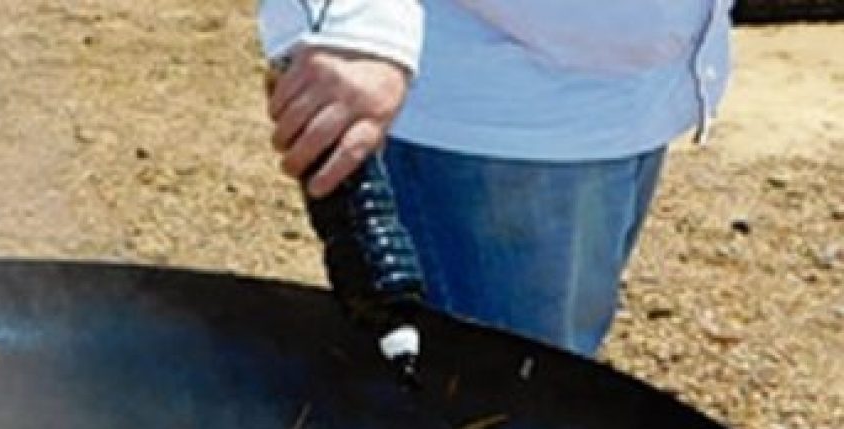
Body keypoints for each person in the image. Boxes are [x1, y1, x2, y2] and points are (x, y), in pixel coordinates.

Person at [257, 0, 732, 356]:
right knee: (488, 418)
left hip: (637, 98)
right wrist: (349, 21)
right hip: (491, 108)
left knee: (555, 380)